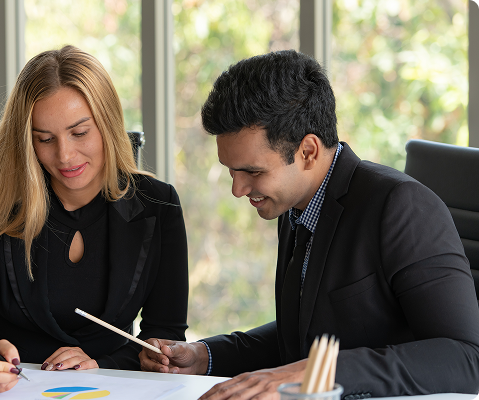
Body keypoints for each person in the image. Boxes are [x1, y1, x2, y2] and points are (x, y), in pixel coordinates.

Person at [139, 49, 479, 399]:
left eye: (253, 171)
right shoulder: (296, 205)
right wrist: (206, 356)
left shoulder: (402, 206)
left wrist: (318, 372)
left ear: (308, 152)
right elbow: (304, 336)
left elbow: (466, 358)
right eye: (231, 171)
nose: (237, 189)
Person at [0, 45, 189, 394]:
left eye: (79, 133)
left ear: (108, 124)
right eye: (45, 139)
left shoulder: (158, 205)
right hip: (13, 390)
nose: (65, 156)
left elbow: (165, 337)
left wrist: (103, 366)